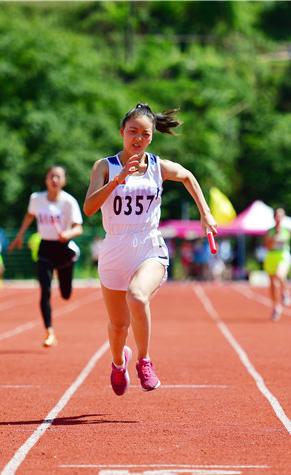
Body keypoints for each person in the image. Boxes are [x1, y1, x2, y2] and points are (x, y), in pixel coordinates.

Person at [83, 102, 217, 396]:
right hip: (114, 248)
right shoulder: (104, 166)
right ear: (122, 132)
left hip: (148, 245)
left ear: (151, 137)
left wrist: (205, 213)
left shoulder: (158, 167)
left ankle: (144, 361)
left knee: (137, 295)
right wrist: (118, 180)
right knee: (119, 326)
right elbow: (90, 207)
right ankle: (119, 363)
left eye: (145, 134)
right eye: (133, 132)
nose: (138, 139)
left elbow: (188, 177)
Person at [9, 165, 83, 348]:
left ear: (64, 181)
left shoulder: (69, 202)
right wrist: (19, 235)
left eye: (58, 177)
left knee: (66, 294)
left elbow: (78, 228)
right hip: (45, 248)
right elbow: (29, 216)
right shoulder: (36, 199)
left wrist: (67, 234)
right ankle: (49, 331)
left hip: (63, 249)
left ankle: (65, 279)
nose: (54, 180)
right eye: (51, 176)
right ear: (46, 179)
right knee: (45, 290)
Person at [264, 207, 291, 321]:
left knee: (279, 276)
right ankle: (276, 306)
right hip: (271, 257)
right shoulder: (270, 231)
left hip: (283, 256)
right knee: (272, 285)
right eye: (277, 215)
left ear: (283, 217)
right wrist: (273, 237)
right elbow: (267, 246)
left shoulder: (287, 230)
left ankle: (285, 292)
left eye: (281, 215)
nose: (278, 218)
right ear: (274, 217)